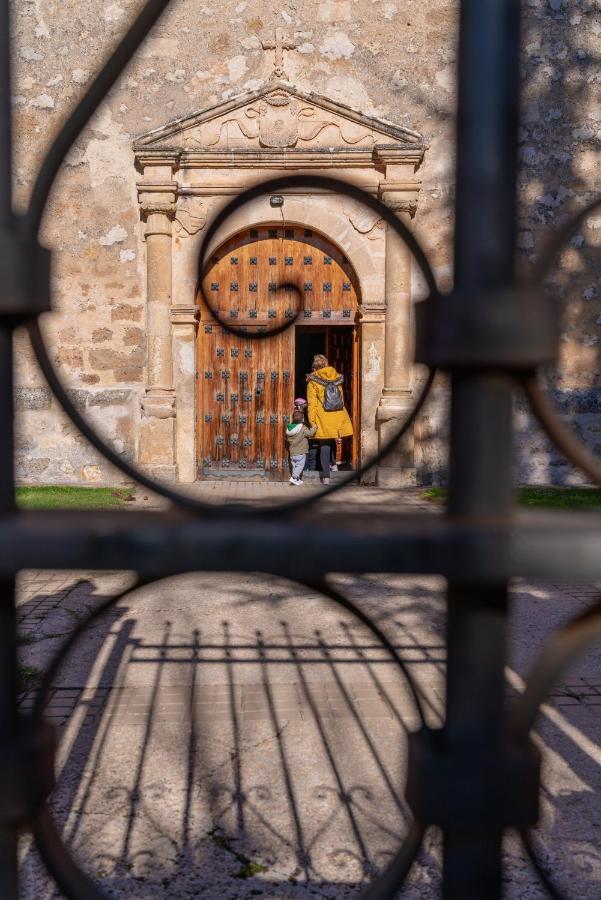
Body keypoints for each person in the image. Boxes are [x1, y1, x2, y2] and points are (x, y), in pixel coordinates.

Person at [306, 354, 353, 484]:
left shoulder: (313, 381)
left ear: (315, 368)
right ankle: (333, 465)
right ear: (326, 364)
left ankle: (326, 477)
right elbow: (340, 398)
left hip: (323, 416)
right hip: (337, 414)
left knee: (324, 445)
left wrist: (312, 422)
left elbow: (312, 404)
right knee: (331, 437)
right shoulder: (336, 376)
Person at [285, 409, 317, 486]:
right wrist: (314, 427)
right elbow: (310, 433)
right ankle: (294, 477)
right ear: (302, 419)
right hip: (301, 451)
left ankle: (297, 480)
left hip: (292, 452)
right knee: (300, 465)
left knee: (294, 466)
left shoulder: (289, 428)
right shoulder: (303, 427)